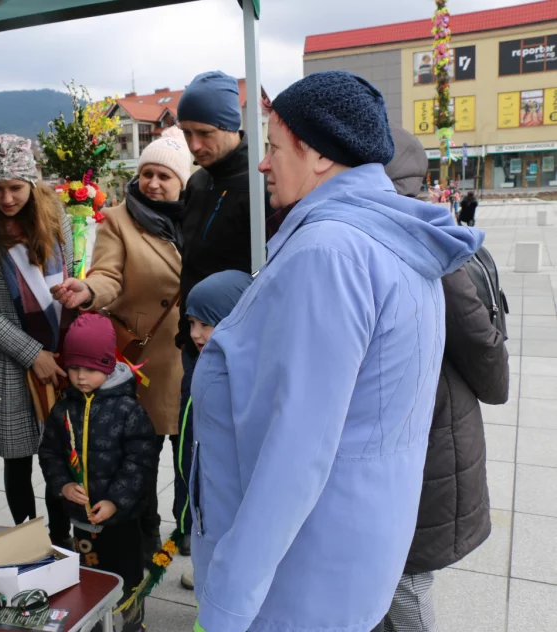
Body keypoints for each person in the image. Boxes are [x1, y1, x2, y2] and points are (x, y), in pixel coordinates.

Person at [189, 71, 482, 632]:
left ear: (318, 154)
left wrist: (225, 607)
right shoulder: (392, 237)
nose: (263, 163)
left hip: (302, 572)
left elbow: (296, 451)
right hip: (354, 547)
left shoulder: (329, 253)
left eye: (274, 147)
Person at [380, 127, 509, 632]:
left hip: (431, 441)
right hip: (432, 435)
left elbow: (480, 345)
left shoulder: (425, 243)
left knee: (407, 582)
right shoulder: (432, 231)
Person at [51, 127, 192, 562]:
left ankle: (186, 530)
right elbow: (109, 275)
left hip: (193, 356)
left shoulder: (200, 215)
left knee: (190, 457)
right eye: (147, 173)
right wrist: (89, 291)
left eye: (164, 176)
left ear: (183, 181)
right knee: (140, 460)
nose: (152, 183)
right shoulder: (119, 218)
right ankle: (144, 538)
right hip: (145, 362)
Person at [0, 133, 73, 545]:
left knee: (59, 456)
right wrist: (30, 353)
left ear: (33, 183)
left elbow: (68, 276)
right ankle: (29, 541)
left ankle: (63, 539)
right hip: (5, 360)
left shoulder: (55, 216)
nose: (7, 198)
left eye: (16, 188)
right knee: (18, 457)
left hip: (58, 350)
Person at [38, 313, 156, 632]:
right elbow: (49, 453)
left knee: (128, 575)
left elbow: (140, 462)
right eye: (74, 367)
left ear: (106, 365)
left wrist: (116, 500)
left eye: (90, 369)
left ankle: (133, 623)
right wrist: (62, 485)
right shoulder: (63, 408)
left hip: (121, 519)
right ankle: (94, 622)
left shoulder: (129, 410)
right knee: (89, 575)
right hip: (82, 519)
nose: (80, 376)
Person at [177, 269, 253, 591]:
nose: (195, 333)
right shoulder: (200, 363)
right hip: (204, 496)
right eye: (192, 323)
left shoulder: (247, 375)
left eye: (206, 324)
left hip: (230, 500)